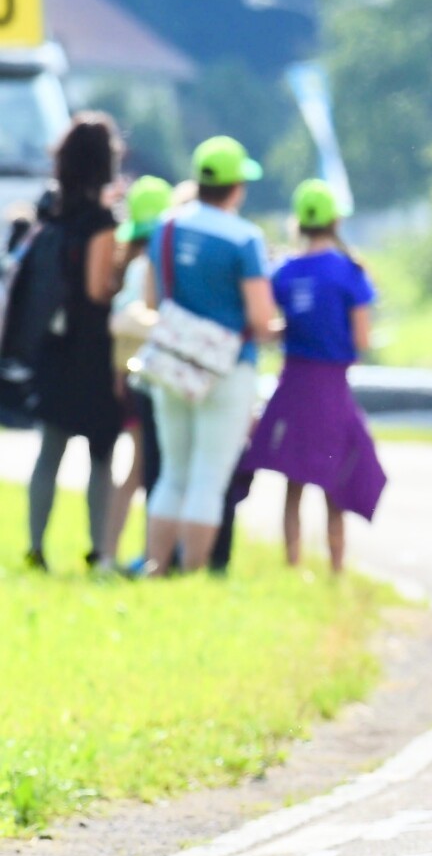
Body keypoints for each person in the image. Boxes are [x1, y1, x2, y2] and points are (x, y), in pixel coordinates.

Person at [142, 136, 278, 575]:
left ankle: (155, 566)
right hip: (228, 368)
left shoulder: (165, 227)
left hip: (170, 361)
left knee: (172, 473)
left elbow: (152, 299)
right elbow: (260, 317)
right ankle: (192, 574)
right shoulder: (245, 238)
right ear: (236, 186)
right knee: (208, 479)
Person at [236, 179, 385, 572]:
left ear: (297, 223)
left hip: (294, 384)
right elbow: (362, 337)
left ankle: (292, 564)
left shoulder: (284, 271)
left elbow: (268, 327)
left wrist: (297, 329)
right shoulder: (350, 271)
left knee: (294, 476)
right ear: (336, 220)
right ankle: (336, 567)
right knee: (334, 477)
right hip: (333, 387)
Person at [24, 112, 126, 572]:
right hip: (90, 351)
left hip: (50, 343)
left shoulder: (49, 208)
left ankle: (36, 547)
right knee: (100, 455)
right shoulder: (99, 220)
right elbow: (96, 288)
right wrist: (121, 273)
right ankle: (98, 551)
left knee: (50, 452)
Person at [105, 174, 173, 565]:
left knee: (140, 467)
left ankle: (119, 552)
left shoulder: (126, 263)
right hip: (147, 378)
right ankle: (139, 553)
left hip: (127, 375)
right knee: (144, 469)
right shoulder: (149, 267)